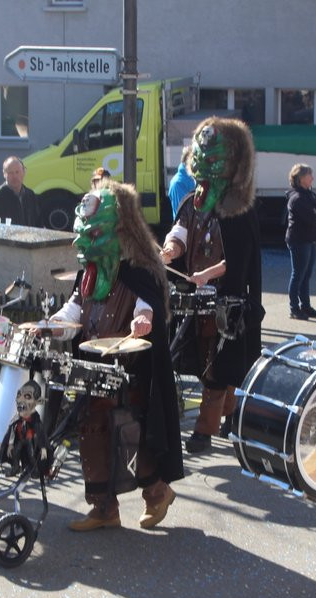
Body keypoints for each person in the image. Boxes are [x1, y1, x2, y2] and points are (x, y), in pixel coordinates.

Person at [47, 180, 183, 530]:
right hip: (94, 369)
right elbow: (74, 310)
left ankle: (156, 493)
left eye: (94, 236)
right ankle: (103, 508)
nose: (83, 245)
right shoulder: (88, 274)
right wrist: (53, 325)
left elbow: (147, 306)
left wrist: (143, 319)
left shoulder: (140, 271)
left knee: (129, 433)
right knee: (91, 429)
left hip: (132, 371)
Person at [161, 116, 263, 454]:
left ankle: (204, 431)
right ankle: (231, 416)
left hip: (227, 303)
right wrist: (171, 249)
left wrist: (208, 275)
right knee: (206, 362)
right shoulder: (193, 200)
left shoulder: (239, 210)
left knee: (218, 369)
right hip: (195, 299)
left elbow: (239, 263)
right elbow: (181, 230)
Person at [284, 164, 316, 320]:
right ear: (301, 178)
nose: (313, 178)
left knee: (306, 275)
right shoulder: (297, 198)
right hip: (299, 240)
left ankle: (306, 306)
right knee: (298, 274)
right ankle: (294, 308)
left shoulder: (309, 194)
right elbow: (312, 218)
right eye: (310, 175)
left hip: (310, 239)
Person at [0, 155, 42, 227]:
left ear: (24, 172)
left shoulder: (30, 195)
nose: (14, 176)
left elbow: (38, 225)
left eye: (17, 172)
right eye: (10, 173)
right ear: (4, 174)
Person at [167, 144, 196, 215]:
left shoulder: (194, 178)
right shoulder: (177, 183)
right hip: (186, 225)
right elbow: (183, 213)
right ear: (188, 161)